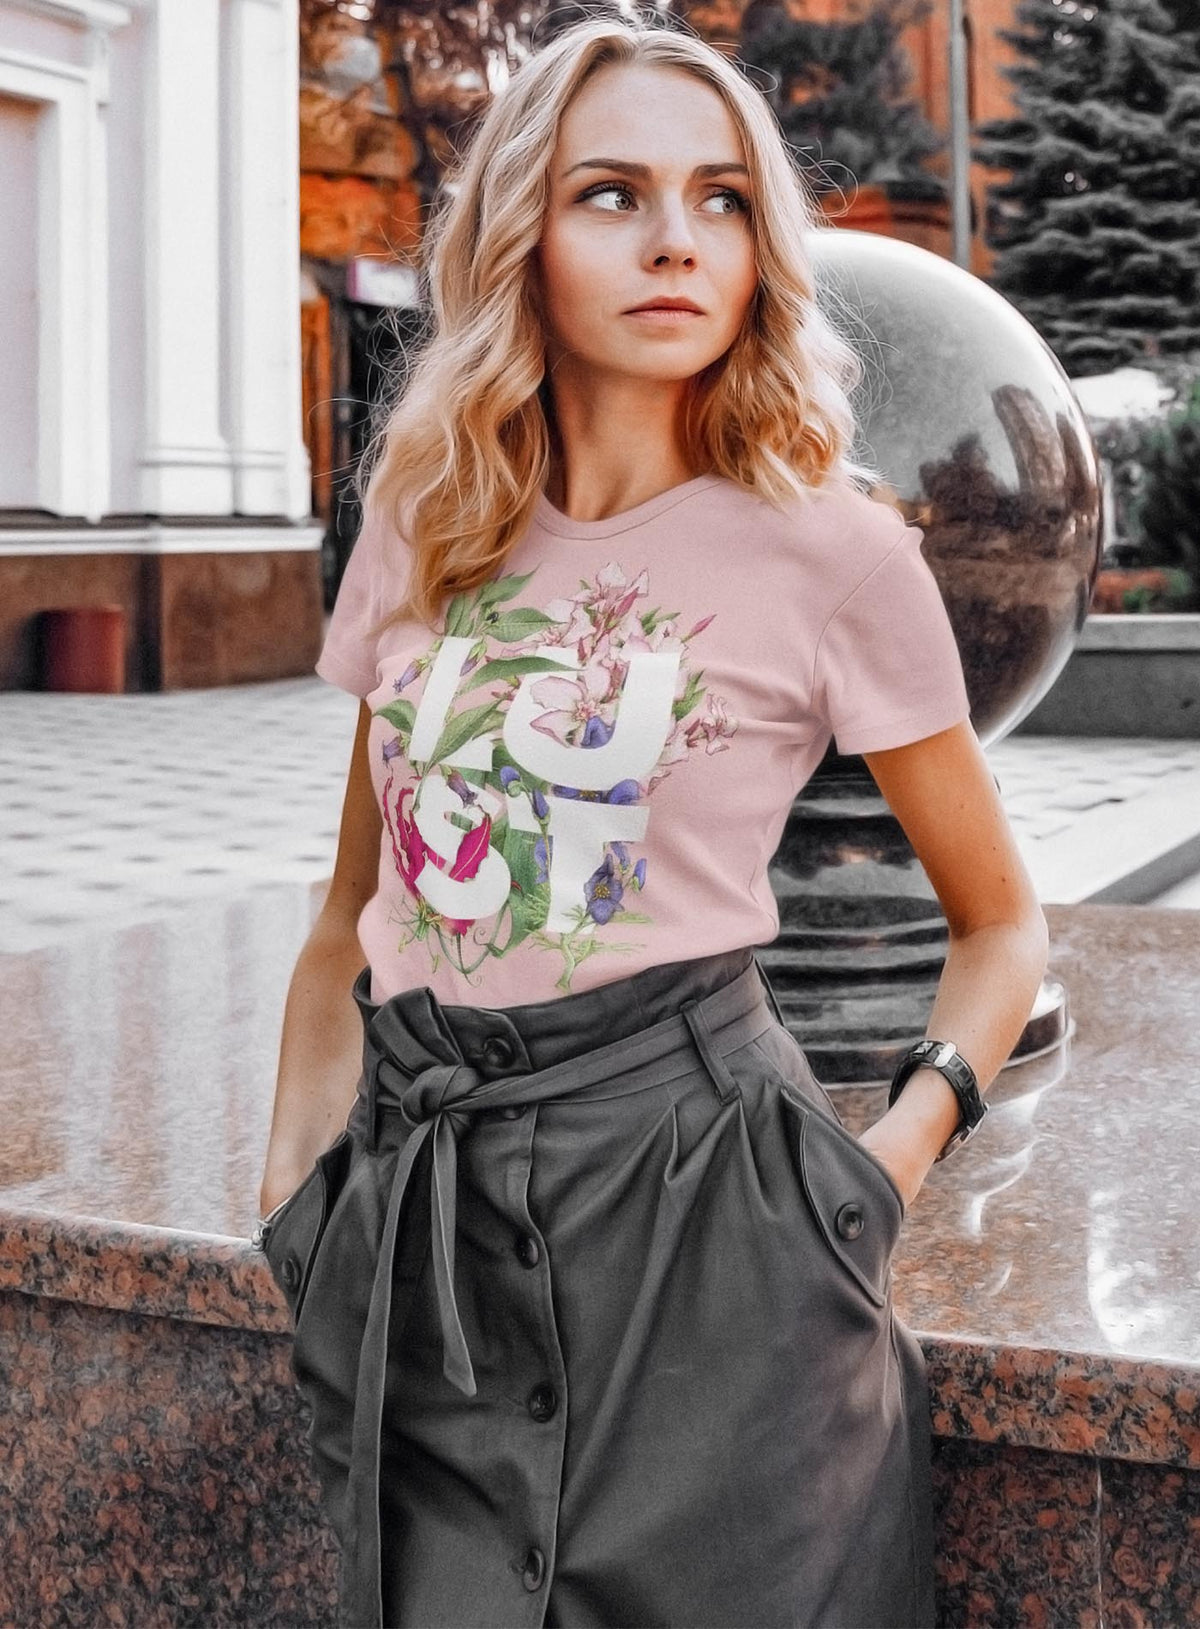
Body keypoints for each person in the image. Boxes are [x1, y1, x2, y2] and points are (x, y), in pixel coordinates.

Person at [254, 11, 1050, 1628]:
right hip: (428, 1240)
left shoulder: (835, 554)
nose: (676, 241)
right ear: (524, 236)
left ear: (764, 243)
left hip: (711, 1242)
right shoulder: (426, 513)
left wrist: (883, 1168)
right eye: (612, 192)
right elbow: (355, 907)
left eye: (724, 200)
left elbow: (999, 925)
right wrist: (296, 1202)